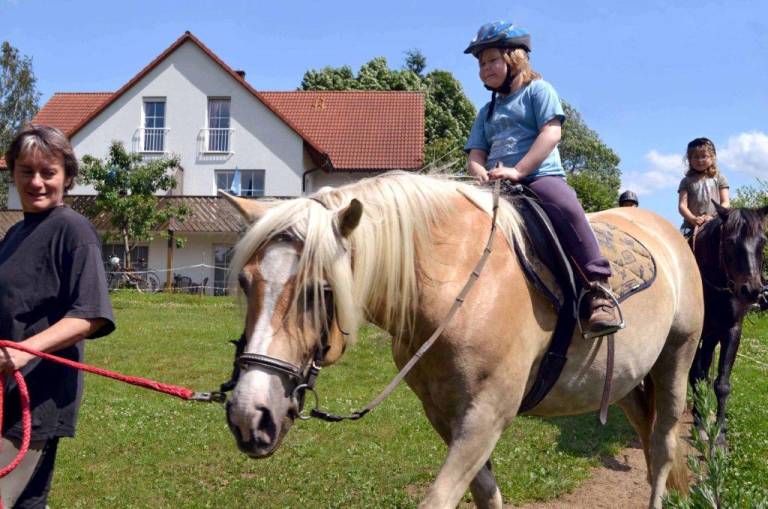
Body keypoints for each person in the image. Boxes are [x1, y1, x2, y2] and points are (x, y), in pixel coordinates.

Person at [463, 21, 621, 336]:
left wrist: (519, 170)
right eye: (481, 64)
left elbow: (552, 132)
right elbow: (475, 153)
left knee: (567, 208)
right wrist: (479, 172)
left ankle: (599, 289)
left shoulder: (539, 91)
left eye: (492, 60)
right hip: (495, 185)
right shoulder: (486, 112)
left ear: (514, 58)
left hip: (537, 177)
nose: (485, 68)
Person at [0, 125, 115, 508]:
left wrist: (24, 350)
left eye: (47, 172)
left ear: (66, 176)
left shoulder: (72, 230)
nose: (36, 182)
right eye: (25, 171)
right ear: (12, 173)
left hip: (36, 395)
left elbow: (90, 314)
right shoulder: (16, 233)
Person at [677, 137, 729, 239]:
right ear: (689, 159)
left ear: (712, 157)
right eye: (695, 157)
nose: (700, 160)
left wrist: (713, 218)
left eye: (704, 156)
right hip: (690, 226)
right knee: (679, 245)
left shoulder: (720, 178)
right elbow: (682, 206)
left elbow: (726, 202)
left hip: (715, 223)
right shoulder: (686, 181)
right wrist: (693, 219)